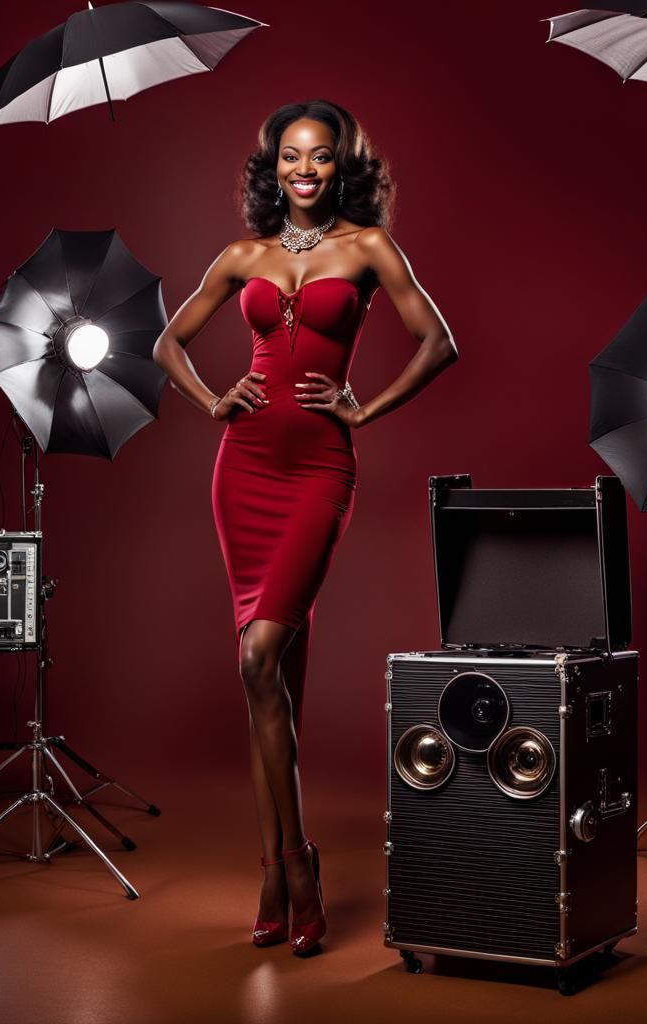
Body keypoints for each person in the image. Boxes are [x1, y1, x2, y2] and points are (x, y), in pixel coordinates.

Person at [153, 98, 457, 957]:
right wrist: (214, 396)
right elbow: (168, 345)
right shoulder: (242, 256)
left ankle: (295, 864)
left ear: (341, 165)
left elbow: (437, 341)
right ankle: (280, 868)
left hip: (319, 471)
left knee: (259, 657)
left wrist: (367, 409)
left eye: (320, 157)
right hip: (242, 469)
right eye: (291, 156)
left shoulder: (367, 248)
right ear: (272, 166)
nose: (305, 171)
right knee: (265, 677)